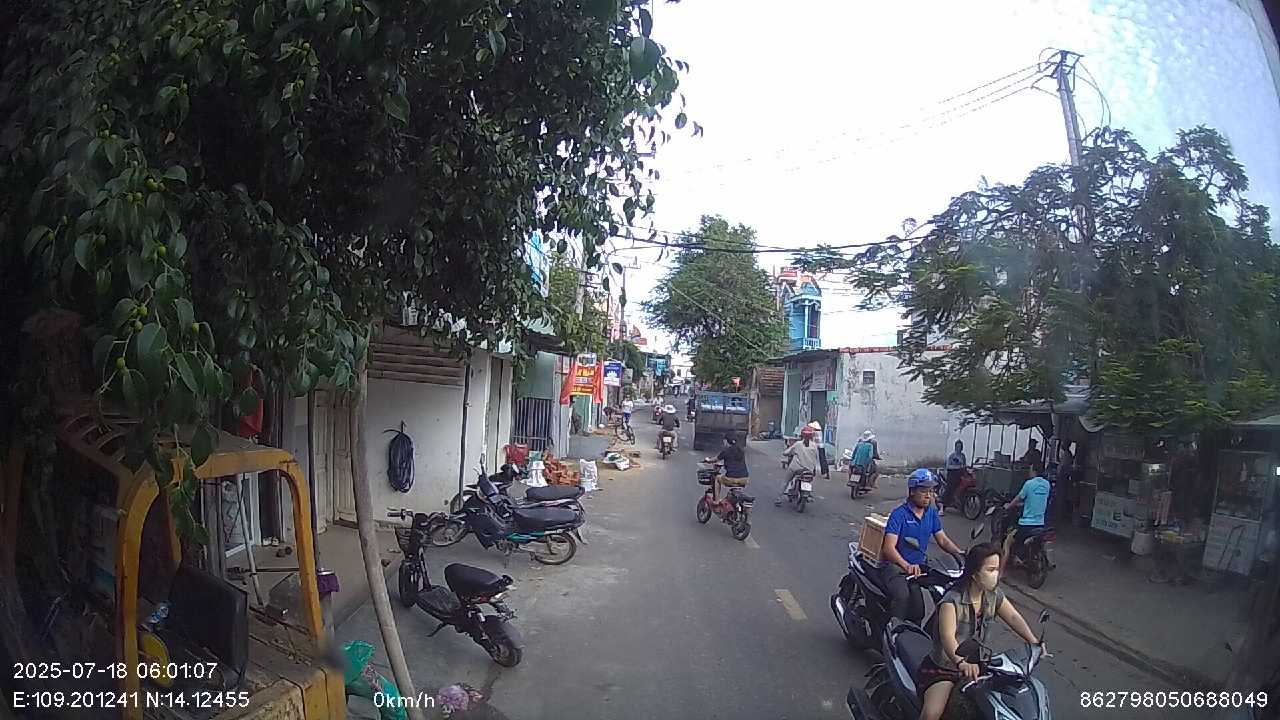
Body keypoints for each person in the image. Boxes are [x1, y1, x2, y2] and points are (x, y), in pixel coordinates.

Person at [916, 543, 1048, 720]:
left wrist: (1034, 642)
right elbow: (948, 637)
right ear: (974, 573)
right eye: (990, 570)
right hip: (946, 669)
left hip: (980, 666)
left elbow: (1013, 617)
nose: (996, 575)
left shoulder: (993, 595)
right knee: (932, 713)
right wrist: (961, 662)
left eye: (997, 569)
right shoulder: (951, 601)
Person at [877, 469, 965, 623]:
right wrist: (906, 566)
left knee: (919, 611)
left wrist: (960, 554)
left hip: (919, 568)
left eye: (931, 491)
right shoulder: (899, 515)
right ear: (912, 492)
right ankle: (892, 630)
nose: (928, 495)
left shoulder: (931, 513)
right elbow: (888, 548)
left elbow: (942, 540)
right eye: (924, 491)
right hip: (896, 567)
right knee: (902, 597)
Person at [1001, 465, 1051, 576]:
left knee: (1007, 542)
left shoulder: (1029, 484)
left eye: (1030, 469)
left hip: (1026, 525)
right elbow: (1037, 499)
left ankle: (1001, 573)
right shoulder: (1047, 484)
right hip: (1041, 523)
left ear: (1034, 471)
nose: (1029, 471)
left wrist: (1008, 506)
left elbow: (1018, 498)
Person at [777, 425, 822, 505]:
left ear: (802, 435)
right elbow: (816, 458)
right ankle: (808, 494)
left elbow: (787, 452)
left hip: (796, 468)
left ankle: (778, 498)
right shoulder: (814, 446)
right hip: (809, 469)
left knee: (786, 481)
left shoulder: (798, 444)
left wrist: (785, 453)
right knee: (809, 480)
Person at [706, 431, 749, 500]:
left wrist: (707, 460)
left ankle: (716, 500)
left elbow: (714, 460)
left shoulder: (726, 451)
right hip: (744, 479)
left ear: (726, 441)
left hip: (731, 479)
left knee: (717, 478)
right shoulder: (741, 450)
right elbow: (734, 462)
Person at [940, 441, 968, 516]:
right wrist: (957, 467)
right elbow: (948, 466)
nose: (959, 448)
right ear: (955, 447)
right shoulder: (952, 456)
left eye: (960, 447)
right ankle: (942, 508)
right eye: (957, 446)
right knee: (950, 488)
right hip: (952, 474)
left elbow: (964, 465)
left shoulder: (963, 456)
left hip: (960, 474)